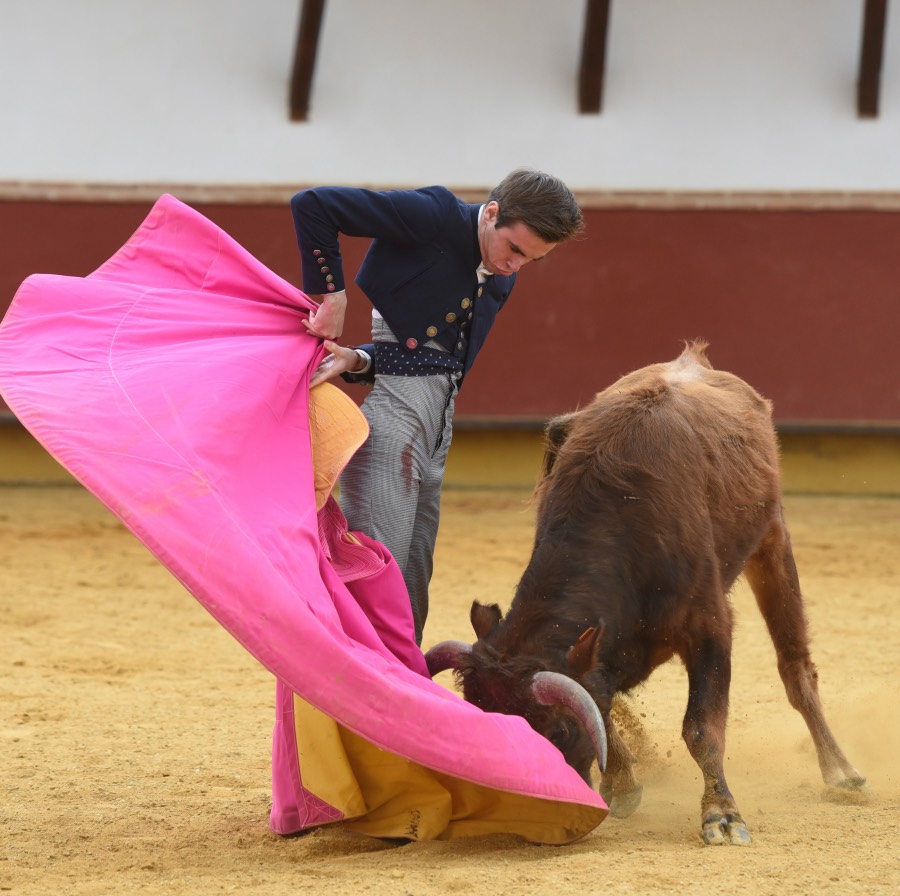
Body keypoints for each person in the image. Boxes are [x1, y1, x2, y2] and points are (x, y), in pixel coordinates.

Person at [291, 168, 584, 644]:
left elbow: (428, 361)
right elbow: (314, 204)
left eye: (532, 259)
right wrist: (332, 294)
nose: (515, 266)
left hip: (436, 428)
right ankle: (359, 688)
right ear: (491, 213)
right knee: (376, 562)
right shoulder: (434, 216)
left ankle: (401, 685)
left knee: (412, 571)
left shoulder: (501, 279)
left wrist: (360, 358)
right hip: (392, 424)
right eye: (514, 248)